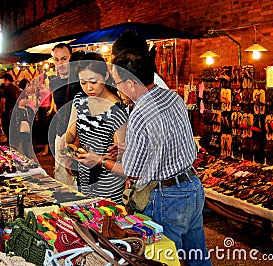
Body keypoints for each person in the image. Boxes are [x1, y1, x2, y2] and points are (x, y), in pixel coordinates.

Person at [104, 30, 211, 265]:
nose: (117, 89)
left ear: (131, 83)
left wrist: (100, 161)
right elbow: (165, 144)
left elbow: (132, 171)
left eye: (118, 83)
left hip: (167, 196)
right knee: (198, 257)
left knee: (163, 259)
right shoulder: (172, 97)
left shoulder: (140, 113)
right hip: (192, 186)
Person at [64, 52, 128, 204]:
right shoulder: (80, 100)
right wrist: (68, 145)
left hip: (108, 181)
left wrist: (97, 159)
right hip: (84, 175)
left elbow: (119, 154)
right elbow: (71, 130)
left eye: (93, 82)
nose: (88, 88)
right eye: (83, 82)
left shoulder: (117, 109)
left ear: (105, 76)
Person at [49, 43, 84, 186]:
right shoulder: (54, 83)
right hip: (61, 134)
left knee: (76, 181)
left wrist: (75, 140)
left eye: (64, 59)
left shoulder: (80, 81)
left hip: (78, 137)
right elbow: (57, 108)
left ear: (71, 58)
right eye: (56, 60)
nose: (60, 64)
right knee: (61, 178)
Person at [10, 93, 37, 162]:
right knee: (20, 147)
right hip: (19, 132)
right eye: (24, 99)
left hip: (28, 131)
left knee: (29, 147)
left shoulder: (29, 110)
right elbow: (13, 124)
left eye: (26, 98)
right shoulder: (15, 111)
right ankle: (21, 162)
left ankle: (30, 161)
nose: (26, 100)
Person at [0, 73, 21, 142]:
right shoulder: (16, 88)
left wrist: (2, 109)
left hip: (8, 111)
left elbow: (3, 101)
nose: (4, 82)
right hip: (15, 110)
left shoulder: (6, 88)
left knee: (6, 126)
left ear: (7, 80)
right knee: (14, 126)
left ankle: (9, 140)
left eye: (4, 80)